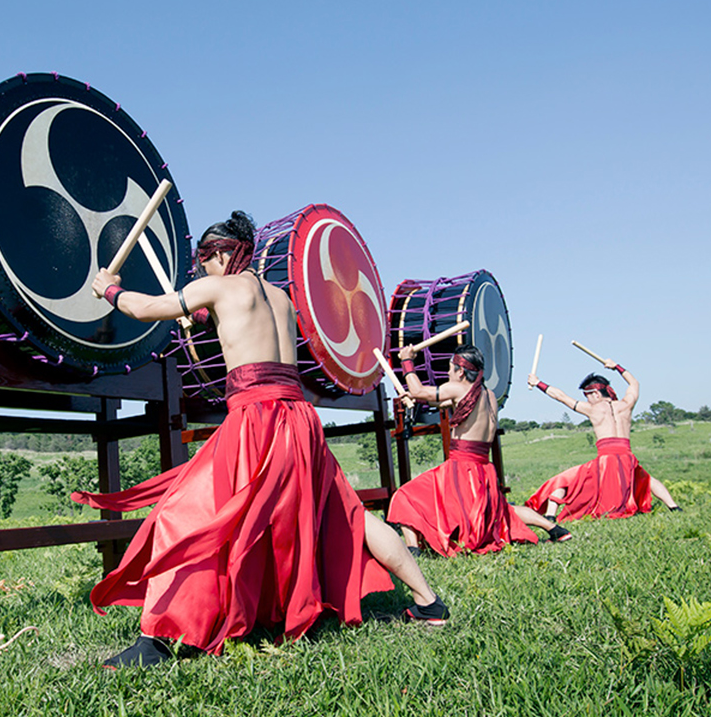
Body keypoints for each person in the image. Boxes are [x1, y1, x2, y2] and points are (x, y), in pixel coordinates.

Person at [75, 211, 449, 668]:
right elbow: (243, 329)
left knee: (184, 513)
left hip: (257, 418)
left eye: (205, 260)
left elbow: (146, 309)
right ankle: (428, 602)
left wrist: (109, 289)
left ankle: (157, 639)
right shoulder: (281, 297)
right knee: (348, 514)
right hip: (300, 418)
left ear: (223, 253)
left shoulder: (219, 287)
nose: (203, 269)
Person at [388, 343, 571, 555]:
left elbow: (419, 390)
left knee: (405, 496)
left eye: (450, 368)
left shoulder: (459, 388)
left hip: (461, 468)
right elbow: (445, 402)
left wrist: (407, 360)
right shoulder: (488, 394)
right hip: (484, 468)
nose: (448, 373)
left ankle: (413, 549)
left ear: (460, 371)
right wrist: (416, 397)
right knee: (501, 511)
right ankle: (555, 529)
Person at [523, 359, 681, 523]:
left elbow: (561, 397)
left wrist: (538, 383)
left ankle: (550, 516)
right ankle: (674, 507)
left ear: (596, 394)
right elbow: (634, 383)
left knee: (563, 480)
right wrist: (617, 367)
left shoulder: (592, 409)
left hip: (606, 461)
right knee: (646, 479)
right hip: (628, 458)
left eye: (587, 396)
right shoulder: (626, 405)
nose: (587, 400)